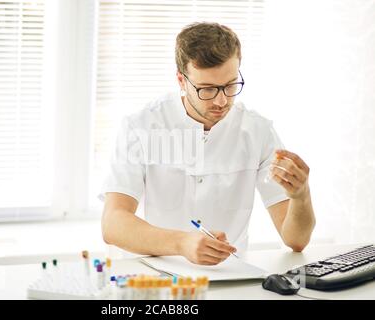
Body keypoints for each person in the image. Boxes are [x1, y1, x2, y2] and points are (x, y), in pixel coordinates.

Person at [99, 22, 315, 265]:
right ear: (181, 80)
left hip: (231, 277)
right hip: (158, 278)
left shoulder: (258, 131)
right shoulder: (142, 126)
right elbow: (113, 224)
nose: (222, 101)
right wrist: (182, 243)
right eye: (207, 89)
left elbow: (296, 240)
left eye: (231, 85)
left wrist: (301, 196)